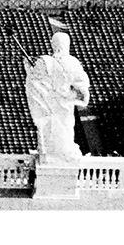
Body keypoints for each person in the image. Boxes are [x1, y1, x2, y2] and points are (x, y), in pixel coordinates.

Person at [24, 29, 92, 163]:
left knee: (54, 130)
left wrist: (29, 66)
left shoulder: (45, 62)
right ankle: (59, 154)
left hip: (52, 103)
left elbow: (34, 80)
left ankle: (56, 154)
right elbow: (83, 91)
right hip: (64, 105)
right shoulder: (72, 63)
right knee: (63, 129)